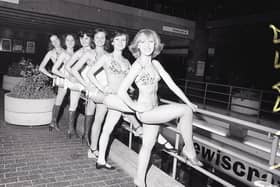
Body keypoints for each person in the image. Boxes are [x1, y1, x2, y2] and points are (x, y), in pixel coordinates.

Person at [117, 29, 203, 187]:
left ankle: (139, 180)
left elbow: (171, 84)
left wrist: (188, 101)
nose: (148, 46)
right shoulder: (137, 65)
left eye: (151, 42)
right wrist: (135, 107)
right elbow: (121, 91)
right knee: (185, 111)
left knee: (148, 145)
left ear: (155, 44)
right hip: (146, 112)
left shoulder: (155, 63)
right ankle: (189, 150)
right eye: (143, 42)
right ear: (138, 45)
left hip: (155, 110)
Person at [86, 30, 143, 169]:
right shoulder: (107, 57)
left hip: (121, 97)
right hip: (110, 96)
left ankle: (100, 160)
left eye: (123, 40)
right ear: (112, 42)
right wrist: (103, 87)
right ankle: (139, 127)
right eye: (117, 40)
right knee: (136, 110)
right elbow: (90, 73)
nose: (120, 43)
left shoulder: (127, 61)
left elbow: (129, 81)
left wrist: (131, 88)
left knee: (107, 129)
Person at [71, 28, 108, 158]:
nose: (99, 40)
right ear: (94, 39)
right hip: (93, 90)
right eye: (97, 37)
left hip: (104, 89)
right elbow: (74, 69)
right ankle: (92, 147)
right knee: (95, 117)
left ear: (105, 40)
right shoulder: (89, 54)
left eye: (102, 37)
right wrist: (85, 84)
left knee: (97, 119)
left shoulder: (108, 55)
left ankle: (92, 146)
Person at [64, 31, 93, 138]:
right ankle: (70, 129)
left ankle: (86, 134)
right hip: (80, 81)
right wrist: (73, 76)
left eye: (86, 38)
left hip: (89, 82)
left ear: (90, 39)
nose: (83, 41)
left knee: (89, 106)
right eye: (81, 39)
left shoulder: (94, 51)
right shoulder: (79, 52)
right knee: (73, 104)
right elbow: (67, 66)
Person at [51, 34, 77, 133]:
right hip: (65, 79)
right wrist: (67, 76)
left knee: (74, 102)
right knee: (59, 99)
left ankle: (71, 129)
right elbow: (54, 69)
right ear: (64, 42)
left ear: (75, 42)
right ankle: (53, 122)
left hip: (75, 81)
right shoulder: (63, 53)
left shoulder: (78, 54)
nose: (70, 42)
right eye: (67, 40)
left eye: (72, 40)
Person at [39, 34, 64, 131]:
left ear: (59, 39)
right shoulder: (51, 53)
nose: (55, 42)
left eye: (56, 39)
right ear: (51, 43)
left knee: (63, 99)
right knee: (60, 99)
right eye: (52, 41)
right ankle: (53, 122)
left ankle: (53, 122)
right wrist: (52, 76)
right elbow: (41, 68)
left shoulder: (66, 50)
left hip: (70, 77)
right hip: (61, 78)